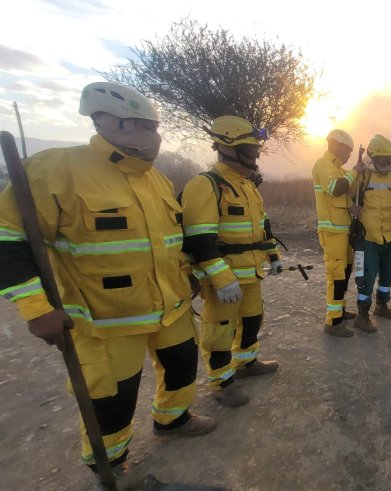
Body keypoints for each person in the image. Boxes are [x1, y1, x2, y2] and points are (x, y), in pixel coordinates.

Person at [0, 81, 215, 480]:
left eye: (152, 126)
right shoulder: (56, 169)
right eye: (138, 124)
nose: (151, 135)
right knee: (112, 399)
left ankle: (173, 419)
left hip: (171, 307)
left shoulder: (157, 180)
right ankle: (111, 466)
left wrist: (190, 273)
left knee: (183, 367)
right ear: (103, 120)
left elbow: (170, 240)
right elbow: (9, 240)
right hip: (106, 319)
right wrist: (36, 310)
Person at [181, 116, 280, 407]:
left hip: (252, 272)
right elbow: (200, 240)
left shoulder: (248, 186)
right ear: (228, 148)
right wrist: (222, 279)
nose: (256, 154)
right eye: (250, 149)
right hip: (225, 278)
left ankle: (247, 363)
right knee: (220, 329)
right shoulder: (206, 185)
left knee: (252, 319)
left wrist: (273, 256)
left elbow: (264, 225)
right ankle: (221, 381)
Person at [349, 135, 391, 332]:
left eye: (389, 160)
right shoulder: (362, 177)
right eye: (382, 160)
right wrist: (351, 206)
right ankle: (362, 315)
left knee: (390, 274)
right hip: (367, 238)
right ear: (372, 158)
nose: (386, 164)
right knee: (365, 277)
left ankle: (382, 305)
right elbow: (343, 196)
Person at [312, 129, 364, 337]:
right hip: (332, 231)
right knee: (336, 274)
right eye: (346, 150)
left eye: (351, 152)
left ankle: (340, 310)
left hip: (343, 230)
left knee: (347, 270)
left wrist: (352, 205)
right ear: (334, 145)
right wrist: (355, 171)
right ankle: (332, 322)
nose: (349, 155)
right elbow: (335, 188)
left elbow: (344, 194)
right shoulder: (323, 165)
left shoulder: (340, 170)